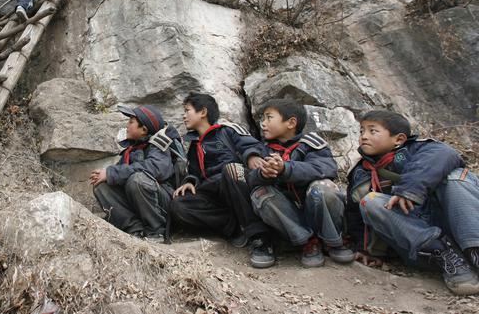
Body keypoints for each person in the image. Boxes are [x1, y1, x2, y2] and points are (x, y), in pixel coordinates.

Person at [347, 110, 479, 295]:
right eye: (361, 131)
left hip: (454, 221)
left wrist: (410, 189)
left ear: (399, 139)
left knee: (455, 178)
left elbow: (444, 154)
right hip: (421, 240)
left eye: (372, 131)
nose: (364, 136)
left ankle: (475, 250)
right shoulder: (360, 172)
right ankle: (448, 256)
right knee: (370, 201)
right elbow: (355, 217)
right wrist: (365, 249)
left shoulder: (420, 149)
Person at [246, 99, 353, 268]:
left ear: (291, 123)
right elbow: (251, 180)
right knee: (260, 193)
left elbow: (324, 168)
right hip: (290, 216)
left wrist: (285, 169)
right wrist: (264, 174)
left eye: (269, 118)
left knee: (323, 188)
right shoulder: (264, 149)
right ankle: (308, 242)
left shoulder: (311, 144)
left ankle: (334, 240)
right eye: (262, 119)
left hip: (314, 208)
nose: (263, 124)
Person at [169, 93, 269, 247]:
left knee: (231, 170)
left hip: (234, 186)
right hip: (211, 192)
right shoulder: (194, 144)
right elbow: (194, 172)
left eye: (187, 111)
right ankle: (233, 228)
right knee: (178, 205)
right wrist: (190, 181)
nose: (184, 116)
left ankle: (259, 237)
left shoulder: (227, 130)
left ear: (203, 112)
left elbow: (252, 145)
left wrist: (251, 156)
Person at [90, 105, 180, 241]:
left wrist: (111, 173)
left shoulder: (159, 145)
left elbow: (156, 168)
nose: (127, 125)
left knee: (137, 179)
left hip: (163, 203)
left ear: (144, 130)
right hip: (139, 200)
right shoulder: (133, 148)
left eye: (131, 122)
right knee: (101, 186)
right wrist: (107, 175)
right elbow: (120, 174)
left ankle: (156, 231)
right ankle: (134, 229)